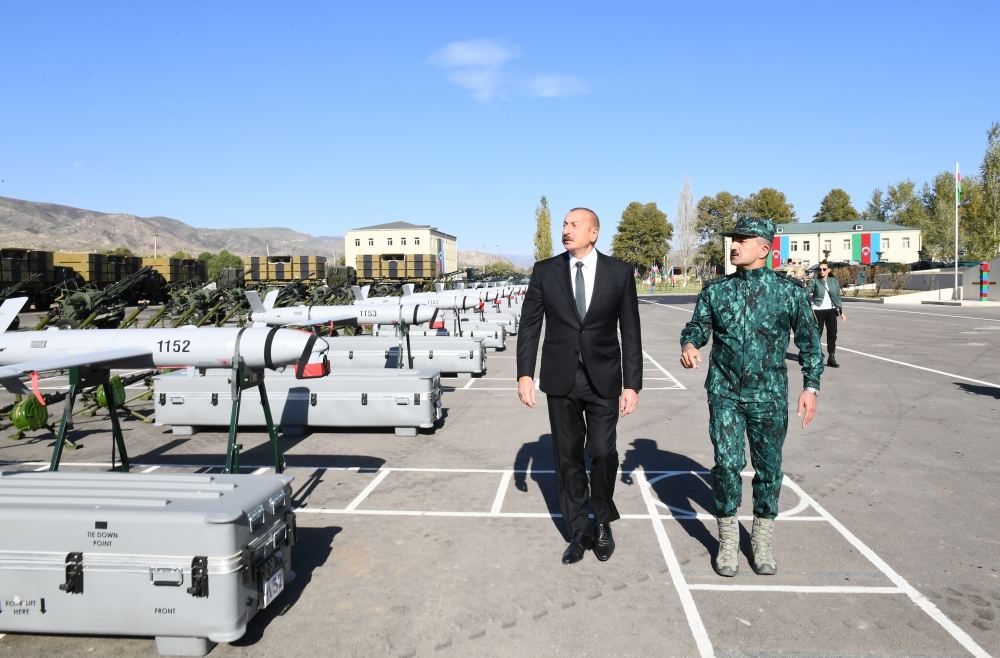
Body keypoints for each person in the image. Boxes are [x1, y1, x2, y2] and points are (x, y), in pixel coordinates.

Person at [679, 217, 823, 577]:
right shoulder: (716, 291)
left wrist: (811, 387)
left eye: (743, 239)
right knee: (727, 466)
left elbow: (809, 342)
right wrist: (690, 343)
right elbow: (697, 326)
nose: (734, 244)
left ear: (764, 248)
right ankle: (727, 541)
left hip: (769, 396)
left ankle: (761, 540)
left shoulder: (788, 292)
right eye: (734, 238)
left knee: (768, 470)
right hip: (725, 392)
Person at [517, 207, 643, 565]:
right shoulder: (546, 272)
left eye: (575, 225)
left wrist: (632, 384)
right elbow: (530, 325)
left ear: (594, 232)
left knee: (603, 452)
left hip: (604, 378)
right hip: (561, 378)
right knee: (567, 458)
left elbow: (630, 331)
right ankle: (578, 530)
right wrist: (524, 373)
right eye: (564, 224)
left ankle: (602, 520)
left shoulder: (618, 273)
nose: (566, 230)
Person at [806, 261, 846, 367]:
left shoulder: (834, 281)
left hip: (831, 310)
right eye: (820, 269)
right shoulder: (814, 281)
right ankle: (816, 356)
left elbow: (837, 297)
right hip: (817, 310)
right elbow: (807, 292)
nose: (822, 271)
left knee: (832, 334)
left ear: (828, 270)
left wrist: (841, 312)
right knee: (817, 334)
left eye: (824, 269)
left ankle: (831, 357)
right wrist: (805, 287)